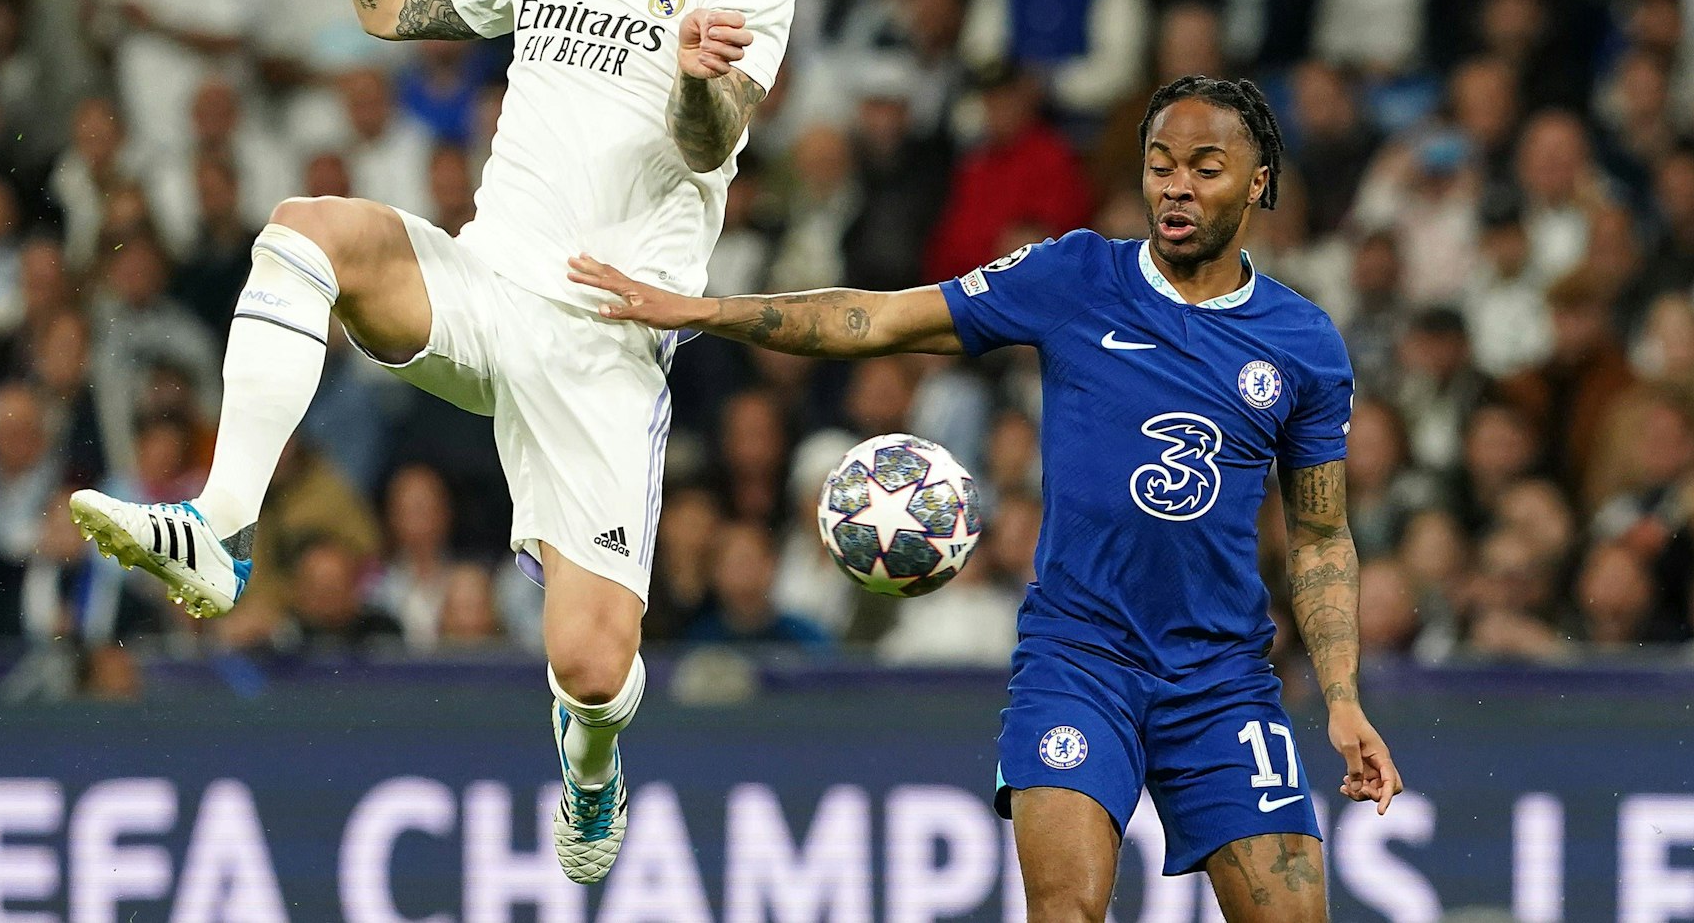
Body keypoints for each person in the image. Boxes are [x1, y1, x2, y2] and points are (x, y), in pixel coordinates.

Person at [66, 0, 797, 885]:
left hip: (604, 344)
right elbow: (387, 2)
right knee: (307, 227)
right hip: (483, 283)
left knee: (594, 665)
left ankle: (591, 765)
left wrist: (699, 77)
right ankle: (219, 526)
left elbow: (712, 144)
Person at [570, 74, 1402, 920]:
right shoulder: (1075, 274)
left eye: (1205, 167)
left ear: (1259, 182)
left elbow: (1322, 532)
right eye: (1160, 164)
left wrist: (1341, 697)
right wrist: (706, 308)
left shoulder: (1303, 344)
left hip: (1224, 676)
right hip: (1080, 662)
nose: (1176, 186)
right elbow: (884, 319)